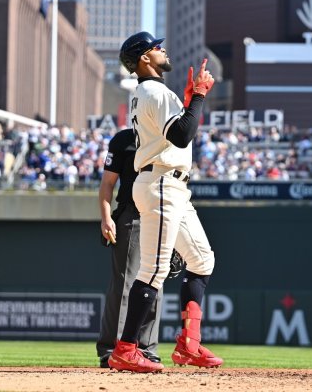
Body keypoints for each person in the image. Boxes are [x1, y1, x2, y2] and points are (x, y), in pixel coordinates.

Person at [107, 31, 220, 373]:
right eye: (156, 47)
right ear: (144, 58)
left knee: (201, 260)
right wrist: (198, 95)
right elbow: (183, 134)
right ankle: (126, 349)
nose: (163, 50)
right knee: (154, 269)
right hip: (159, 182)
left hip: (172, 185)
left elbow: (178, 131)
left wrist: (189, 101)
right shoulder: (153, 90)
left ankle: (189, 344)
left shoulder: (151, 91)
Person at [96, 128, 162, 368]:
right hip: (131, 215)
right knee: (125, 282)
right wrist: (106, 218)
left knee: (156, 282)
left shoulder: (170, 136)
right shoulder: (124, 139)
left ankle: (146, 348)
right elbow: (107, 184)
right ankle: (112, 348)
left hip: (159, 213)